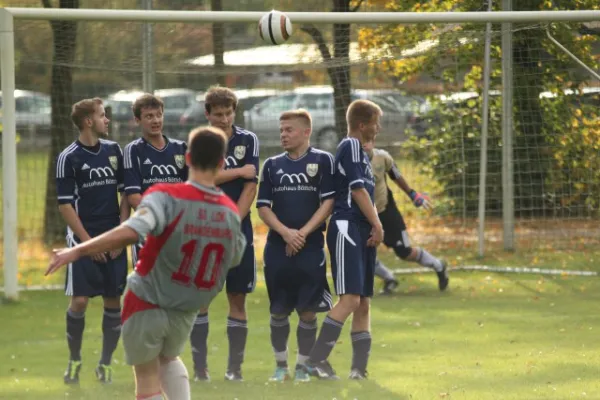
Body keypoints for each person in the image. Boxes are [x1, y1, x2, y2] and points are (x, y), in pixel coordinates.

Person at [46, 126, 247, 400]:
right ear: (222, 163)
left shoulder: (166, 195)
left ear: (187, 158)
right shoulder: (229, 211)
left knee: (147, 379)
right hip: (186, 308)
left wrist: (78, 250)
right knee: (169, 359)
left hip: (147, 301)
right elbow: (233, 257)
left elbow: (132, 230)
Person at [305, 99, 383, 380]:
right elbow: (357, 190)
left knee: (363, 302)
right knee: (349, 299)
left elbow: (368, 194)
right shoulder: (349, 145)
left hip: (363, 230)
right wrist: (377, 223)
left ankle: (358, 371)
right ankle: (314, 361)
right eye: (376, 122)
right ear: (362, 125)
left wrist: (376, 225)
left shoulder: (361, 153)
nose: (380, 127)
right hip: (347, 227)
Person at [257, 109, 335, 382]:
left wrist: (301, 234)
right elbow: (263, 207)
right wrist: (286, 233)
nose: (283, 135)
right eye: (281, 130)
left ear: (306, 132)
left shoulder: (323, 161)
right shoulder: (271, 165)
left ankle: (302, 367)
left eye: (289, 130)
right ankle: (281, 367)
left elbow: (328, 203)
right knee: (278, 309)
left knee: (308, 310)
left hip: (311, 247)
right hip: (278, 248)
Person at [55, 98, 130, 384]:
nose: (107, 120)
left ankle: (106, 364)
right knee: (81, 301)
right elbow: (65, 206)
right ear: (89, 121)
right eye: (102, 116)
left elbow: (125, 195)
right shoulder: (68, 157)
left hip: (113, 239)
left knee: (113, 301)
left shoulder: (114, 151)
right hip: (82, 238)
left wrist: (121, 234)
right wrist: (88, 244)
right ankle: (74, 361)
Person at [189, 86, 259, 382]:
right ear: (207, 114)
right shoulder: (199, 142)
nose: (224, 119)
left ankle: (234, 369)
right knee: (201, 299)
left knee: (237, 297)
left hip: (237, 230)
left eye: (228, 113)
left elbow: (251, 183)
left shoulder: (248, 140)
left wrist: (233, 221)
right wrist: (238, 171)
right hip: (205, 229)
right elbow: (202, 178)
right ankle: (201, 369)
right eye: (218, 114)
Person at [363, 140, 449, 294]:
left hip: (387, 213)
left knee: (404, 252)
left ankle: (438, 265)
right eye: (360, 141)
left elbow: (396, 176)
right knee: (363, 252)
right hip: (364, 216)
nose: (364, 144)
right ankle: (389, 278)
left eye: (367, 141)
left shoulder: (382, 157)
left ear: (373, 141)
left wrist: (412, 194)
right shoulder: (349, 162)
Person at [123, 93, 188, 265]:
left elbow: (192, 190)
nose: (155, 120)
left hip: (179, 230)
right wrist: (161, 221)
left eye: (159, 115)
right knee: (147, 288)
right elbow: (133, 197)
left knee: (179, 286)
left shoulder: (181, 148)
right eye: (149, 116)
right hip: (149, 230)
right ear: (137, 120)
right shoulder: (132, 151)